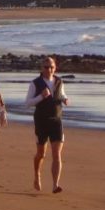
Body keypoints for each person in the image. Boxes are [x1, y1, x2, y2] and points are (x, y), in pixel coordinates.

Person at [25, 56, 70, 193]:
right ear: (41, 68)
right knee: (41, 154)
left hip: (56, 120)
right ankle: (37, 175)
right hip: (41, 121)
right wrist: (41, 96)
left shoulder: (59, 81)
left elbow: (62, 94)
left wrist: (65, 99)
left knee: (57, 154)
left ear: (55, 68)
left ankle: (55, 184)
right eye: (46, 67)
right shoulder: (35, 83)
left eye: (51, 67)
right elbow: (28, 103)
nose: (49, 69)